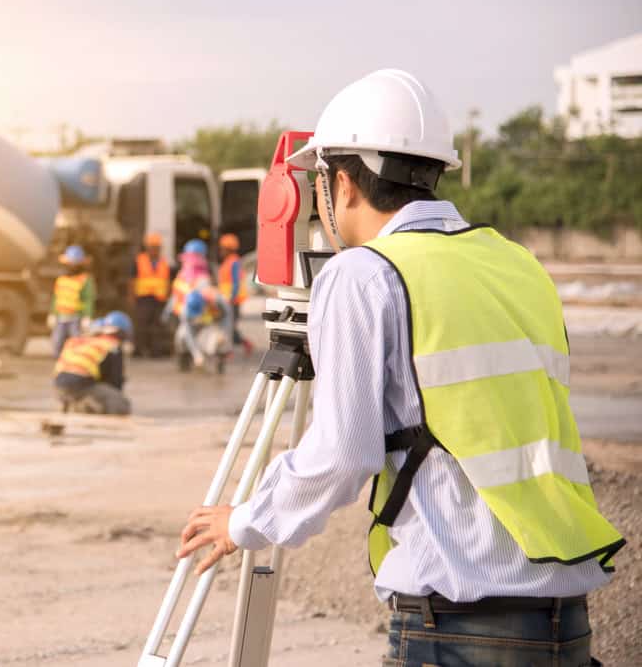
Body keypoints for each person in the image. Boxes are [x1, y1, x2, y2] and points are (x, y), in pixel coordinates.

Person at [175, 69, 623, 666]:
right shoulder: (518, 263)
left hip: (461, 627)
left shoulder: (365, 274)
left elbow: (343, 453)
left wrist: (247, 523)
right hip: (562, 622)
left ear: (341, 183)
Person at [53, 310, 132, 415]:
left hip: (58, 387)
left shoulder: (81, 340)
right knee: (121, 404)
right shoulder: (112, 346)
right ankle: (80, 406)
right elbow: (115, 381)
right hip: (79, 386)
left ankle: (70, 402)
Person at [48, 245, 96, 358]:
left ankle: (76, 360)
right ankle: (60, 361)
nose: (71, 266)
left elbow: (88, 299)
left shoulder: (85, 280)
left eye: (73, 263)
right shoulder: (61, 278)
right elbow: (56, 297)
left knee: (77, 342)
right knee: (57, 342)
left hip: (76, 318)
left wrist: (87, 316)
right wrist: (52, 313)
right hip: (61, 317)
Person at [130, 232, 171, 358]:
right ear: (147, 247)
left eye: (157, 247)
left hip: (159, 299)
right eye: (152, 247)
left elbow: (168, 281)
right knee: (141, 325)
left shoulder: (164, 262)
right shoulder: (139, 260)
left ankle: (156, 351)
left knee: (158, 326)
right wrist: (131, 296)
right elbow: (132, 280)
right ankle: (139, 350)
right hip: (143, 298)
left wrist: (168, 297)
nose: (154, 250)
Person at [175, 287, 231, 374]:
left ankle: (219, 364)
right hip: (197, 328)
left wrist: (224, 334)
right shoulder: (186, 311)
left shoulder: (219, 301)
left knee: (220, 341)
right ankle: (186, 363)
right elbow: (189, 334)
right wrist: (196, 354)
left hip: (213, 326)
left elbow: (227, 320)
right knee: (181, 336)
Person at [162, 238, 212, 329]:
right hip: (180, 316)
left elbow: (207, 301)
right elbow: (175, 295)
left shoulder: (202, 278)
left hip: (195, 318)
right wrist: (168, 310)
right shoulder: (182, 275)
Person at [216, 233, 252, 356]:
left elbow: (236, 282)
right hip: (226, 299)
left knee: (229, 325)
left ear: (228, 249)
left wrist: (231, 298)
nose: (220, 251)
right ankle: (243, 344)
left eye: (222, 248)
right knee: (229, 325)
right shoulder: (228, 262)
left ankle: (229, 350)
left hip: (233, 300)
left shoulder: (234, 262)